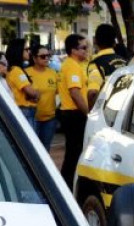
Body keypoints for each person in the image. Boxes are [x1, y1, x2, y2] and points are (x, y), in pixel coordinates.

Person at [57, 33, 90, 188]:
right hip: (74, 114)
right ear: (73, 50)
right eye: (83, 48)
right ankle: (68, 186)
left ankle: (68, 185)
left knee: (73, 153)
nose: (86, 50)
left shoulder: (71, 65)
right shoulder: (72, 66)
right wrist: (88, 114)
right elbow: (75, 93)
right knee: (74, 154)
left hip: (71, 114)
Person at [86, 23, 127, 110]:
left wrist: (93, 113)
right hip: (125, 110)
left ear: (95, 41)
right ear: (114, 43)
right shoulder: (124, 61)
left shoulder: (96, 64)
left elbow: (92, 93)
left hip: (108, 111)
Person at [26, 44, 58, 151]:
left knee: (45, 148)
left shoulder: (53, 73)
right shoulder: (26, 73)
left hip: (50, 118)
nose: (46, 58)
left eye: (48, 56)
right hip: (32, 118)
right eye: (43, 56)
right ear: (34, 58)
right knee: (32, 149)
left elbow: (58, 92)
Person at [4, 38, 40, 131]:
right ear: (18, 51)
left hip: (24, 110)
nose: (29, 52)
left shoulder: (14, 69)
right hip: (25, 110)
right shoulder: (16, 71)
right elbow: (30, 91)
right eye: (26, 49)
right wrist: (37, 94)